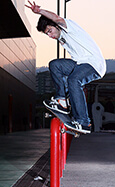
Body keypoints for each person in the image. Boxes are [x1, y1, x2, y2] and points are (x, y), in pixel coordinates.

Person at [25, 1, 106, 133]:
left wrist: (39, 11)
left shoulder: (69, 26)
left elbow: (57, 18)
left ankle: (83, 122)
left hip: (94, 64)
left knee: (74, 80)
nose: (50, 36)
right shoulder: (61, 37)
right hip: (79, 64)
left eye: (50, 31)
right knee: (55, 65)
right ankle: (62, 102)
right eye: (47, 34)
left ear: (56, 26)